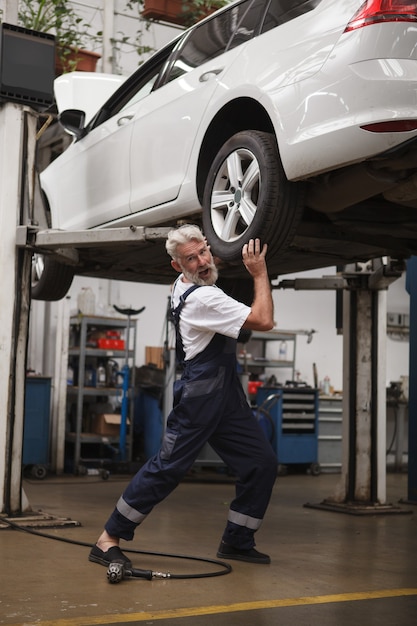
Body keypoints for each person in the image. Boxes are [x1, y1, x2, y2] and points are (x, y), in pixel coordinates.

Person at [89, 224, 278, 568]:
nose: (202, 261)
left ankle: (237, 540)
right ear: (177, 266)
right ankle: (108, 538)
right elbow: (264, 320)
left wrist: (218, 248)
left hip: (225, 397)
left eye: (203, 251)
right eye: (191, 259)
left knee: (260, 463)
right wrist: (259, 272)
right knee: (168, 467)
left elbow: (207, 261)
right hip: (201, 398)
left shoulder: (184, 285)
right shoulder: (205, 297)